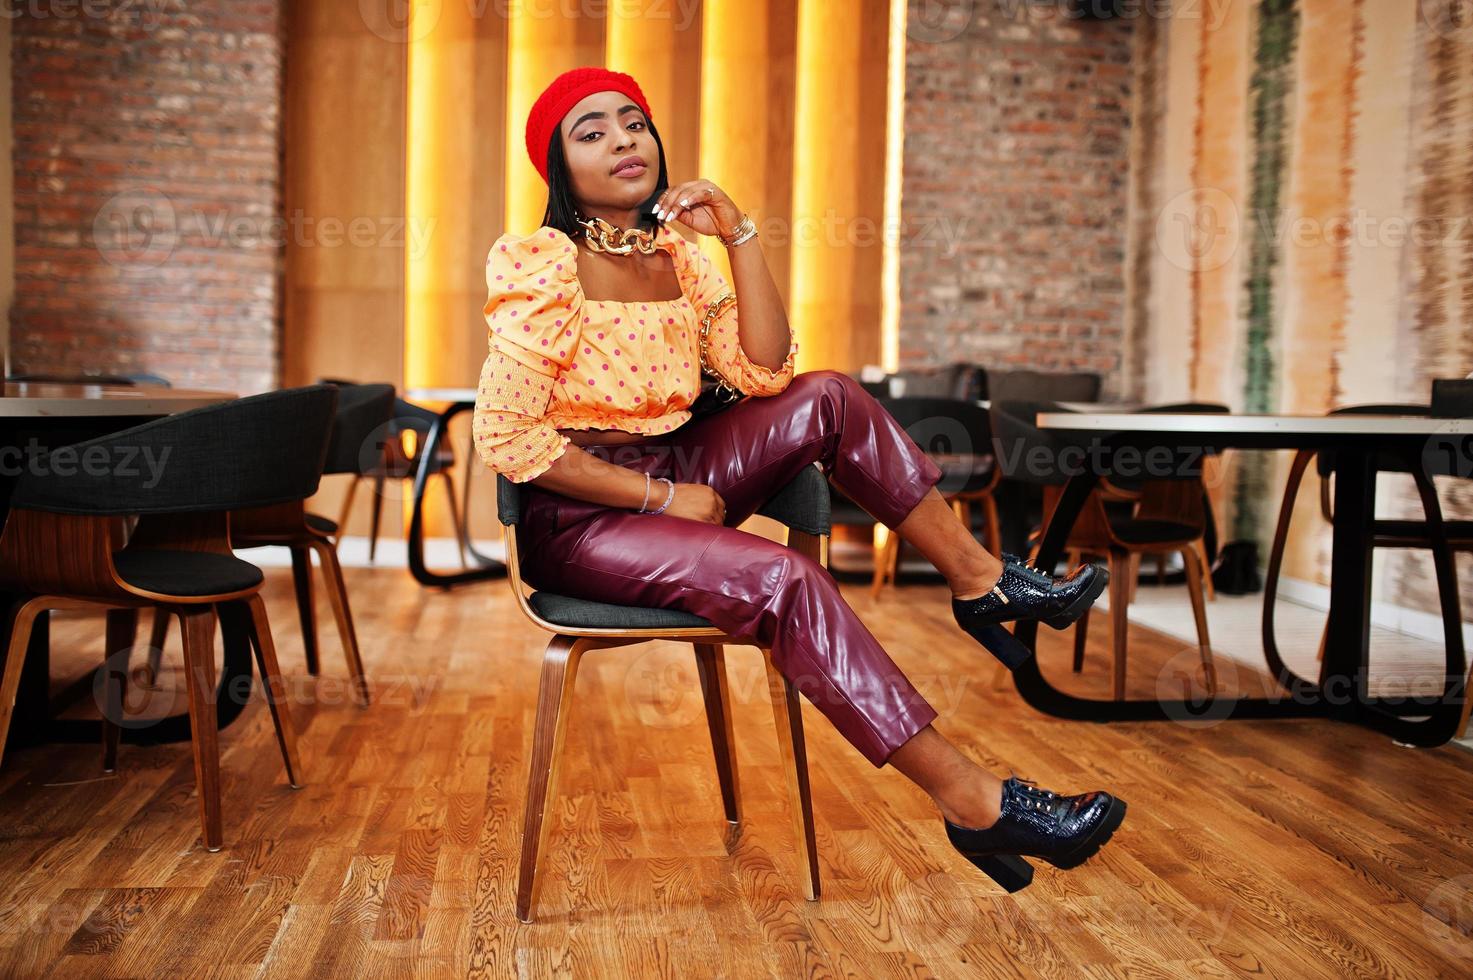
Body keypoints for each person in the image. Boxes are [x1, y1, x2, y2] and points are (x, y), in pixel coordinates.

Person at [473, 66, 1126, 892]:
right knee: (787, 575)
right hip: (585, 514)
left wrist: (737, 236)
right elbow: (504, 435)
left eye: (632, 121)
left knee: (829, 394)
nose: (621, 140)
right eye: (590, 131)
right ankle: (975, 803)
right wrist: (660, 498)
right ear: (558, 169)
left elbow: (763, 370)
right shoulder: (540, 264)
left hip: (681, 466)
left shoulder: (681, 254)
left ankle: (979, 580)